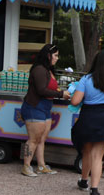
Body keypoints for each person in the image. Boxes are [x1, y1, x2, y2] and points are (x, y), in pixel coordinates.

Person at [70, 50, 104, 195]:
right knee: (98, 155)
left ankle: (84, 181)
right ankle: (94, 190)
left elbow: (75, 101)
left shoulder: (86, 79)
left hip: (88, 116)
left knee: (86, 151)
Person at [20, 44, 69, 176]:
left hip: (45, 108)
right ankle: (26, 166)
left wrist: (61, 92)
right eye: (55, 55)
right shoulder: (39, 70)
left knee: (41, 139)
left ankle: (41, 166)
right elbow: (41, 90)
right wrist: (60, 94)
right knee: (33, 139)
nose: (57, 58)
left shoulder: (48, 70)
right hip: (34, 107)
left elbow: (50, 89)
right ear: (48, 55)